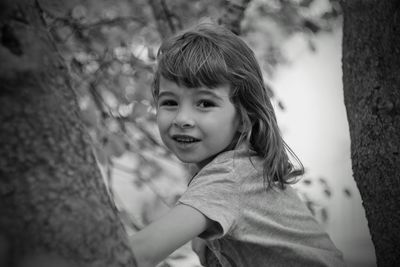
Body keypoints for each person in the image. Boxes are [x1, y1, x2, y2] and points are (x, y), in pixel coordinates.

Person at [130, 23, 345, 267]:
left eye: (204, 104)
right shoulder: (242, 167)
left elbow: (142, 253)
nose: (182, 119)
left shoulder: (230, 176)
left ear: (244, 117)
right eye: (169, 102)